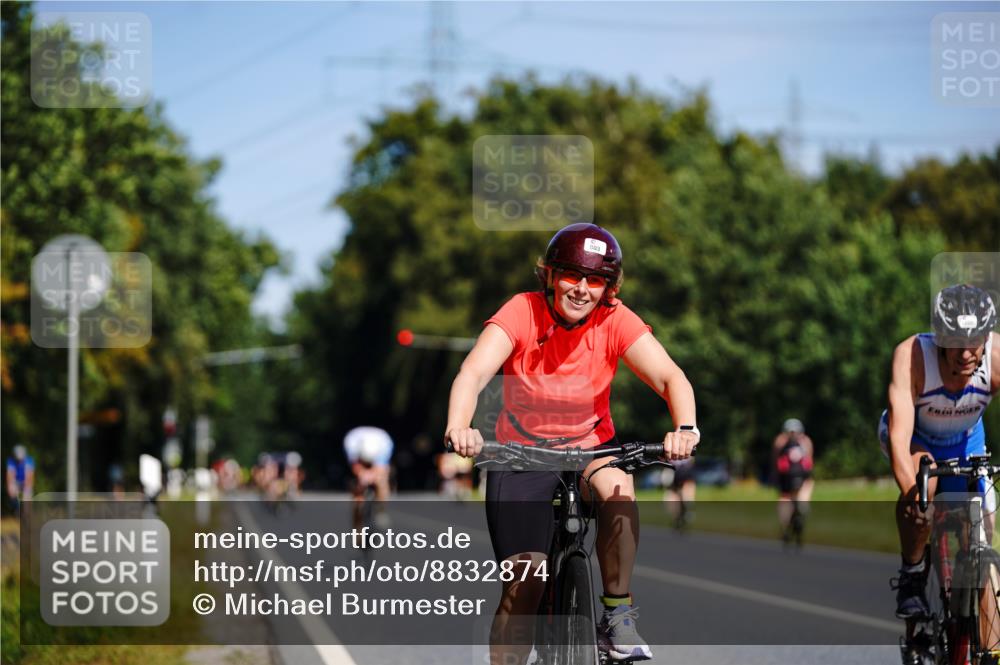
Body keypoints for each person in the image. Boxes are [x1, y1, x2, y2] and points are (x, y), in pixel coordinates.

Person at [445, 223, 698, 664]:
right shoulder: (523, 310)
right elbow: (473, 372)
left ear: (608, 288)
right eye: (572, 275)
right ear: (550, 275)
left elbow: (669, 377)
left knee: (618, 489)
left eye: (596, 280)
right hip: (522, 454)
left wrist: (687, 429)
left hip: (591, 447)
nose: (582, 289)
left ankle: (616, 616)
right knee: (525, 584)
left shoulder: (615, 319)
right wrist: (459, 426)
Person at [881, 284, 999, 619]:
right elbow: (899, 436)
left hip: (966, 439)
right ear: (939, 338)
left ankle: (978, 637)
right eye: (955, 342)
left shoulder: (996, 358)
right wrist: (917, 501)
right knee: (924, 491)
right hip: (917, 439)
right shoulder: (913, 356)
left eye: (974, 342)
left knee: (982, 537)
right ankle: (912, 574)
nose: (965, 354)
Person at [772, 418, 814, 546]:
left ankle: (785, 527)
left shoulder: (780, 441)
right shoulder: (806, 441)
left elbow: (776, 461)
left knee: (784, 500)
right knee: (802, 499)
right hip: (802, 477)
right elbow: (809, 463)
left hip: (786, 478)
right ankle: (801, 512)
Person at [343, 426, 394, 530]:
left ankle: (381, 510)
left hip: (379, 457)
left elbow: (381, 468)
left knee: (382, 480)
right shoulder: (351, 443)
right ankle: (357, 527)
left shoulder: (385, 444)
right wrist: (362, 475)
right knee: (357, 491)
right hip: (359, 456)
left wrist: (374, 476)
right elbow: (355, 466)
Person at [662, 457, 696, 530]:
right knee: (672, 496)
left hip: (683, 469)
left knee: (685, 493)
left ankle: (685, 511)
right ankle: (679, 516)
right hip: (674, 470)